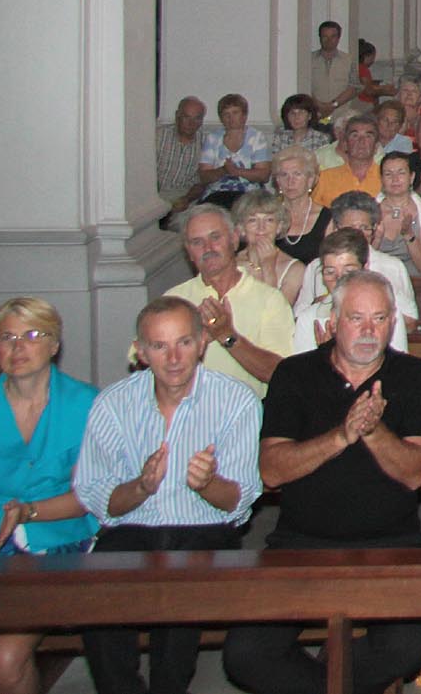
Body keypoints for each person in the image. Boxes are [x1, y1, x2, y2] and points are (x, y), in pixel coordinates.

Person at [223, 270, 421, 694]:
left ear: (393, 321)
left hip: (390, 543)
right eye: (356, 318)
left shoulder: (414, 375)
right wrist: (342, 435)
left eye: (379, 319)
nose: (368, 330)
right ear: (334, 321)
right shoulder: (295, 374)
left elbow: (415, 472)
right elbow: (272, 470)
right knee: (245, 653)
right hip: (301, 544)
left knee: (407, 648)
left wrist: (373, 431)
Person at [74, 297, 262, 694]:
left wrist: (207, 483)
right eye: (159, 346)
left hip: (204, 529)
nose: (174, 358)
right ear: (140, 352)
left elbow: (239, 501)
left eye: (184, 343)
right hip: (133, 527)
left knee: (181, 586)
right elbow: (99, 499)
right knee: (98, 591)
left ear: (202, 342)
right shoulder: (113, 404)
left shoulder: (236, 401)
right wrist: (140, 487)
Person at [0, 299, 98, 694]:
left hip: (59, 540)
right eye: (7, 338)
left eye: (32, 335)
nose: (18, 347)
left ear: (54, 345)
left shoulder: (87, 404)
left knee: (4, 659)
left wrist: (28, 512)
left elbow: (91, 496)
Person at [163, 205, 295, 396]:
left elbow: (282, 374)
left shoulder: (269, 300)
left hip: (248, 411)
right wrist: (195, 343)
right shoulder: (173, 301)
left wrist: (227, 335)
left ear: (234, 240)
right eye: (197, 242)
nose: (208, 248)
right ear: (189, 252)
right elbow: (142, 364)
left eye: (215, 237)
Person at [291, 228, 407, 353]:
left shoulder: (385, 315)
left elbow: (398, 363)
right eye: (330, 272)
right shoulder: (309, 318)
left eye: (348, 272)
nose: (339, 279)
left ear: (365, 269)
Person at [232, 191, 306, 305]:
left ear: (279, 227)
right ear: (241, 228)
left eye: (269, 220)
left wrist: (268, 268)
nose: (261, 227)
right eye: (253, 220)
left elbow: (277, 311)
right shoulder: (230, 264)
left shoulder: (295, 269)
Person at [197, 93, 272, 207]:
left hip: (249, 194)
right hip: (217, 193)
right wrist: (223, 170)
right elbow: (204, 177)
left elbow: (264, 175)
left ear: (244, 115)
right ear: (221, 118)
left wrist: (236, 171)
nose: (230, 118)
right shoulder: (212, 138)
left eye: (235, 113)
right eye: (226, 114)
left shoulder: (257, 137)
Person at [375, 152, 421, 275]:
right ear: (382, 179)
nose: (395, 179)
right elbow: (361, 261)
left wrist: (409, 236)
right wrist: (377, 238)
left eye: (401, 173)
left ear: (411, 177)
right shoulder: (370, 212)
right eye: (388, 174)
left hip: (415, 282)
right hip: (375, 280)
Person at [158, 96, 210, 219]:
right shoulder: (158, 137)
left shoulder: (206, 143)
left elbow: (203, 183)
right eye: (186, 117)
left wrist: (186, 199)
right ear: (177, 116)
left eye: (197, 118)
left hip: (185, 196)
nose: (191, 123)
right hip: (155, 195)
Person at [308, 20, 360, 114]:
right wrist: (318, 105)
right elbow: (304, 84)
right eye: (325, 36)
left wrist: (333, 105)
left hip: (341, 114)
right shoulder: (308, 60)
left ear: (338, 38)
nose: (329, 40)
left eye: (333, 36)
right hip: (315, 112)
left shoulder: (349, 60)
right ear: (320, 37)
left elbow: (353, 87)